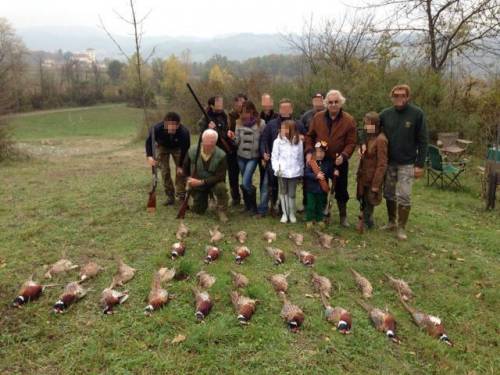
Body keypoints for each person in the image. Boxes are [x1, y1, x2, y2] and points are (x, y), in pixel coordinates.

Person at [380, 84, 428, 240]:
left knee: (405, 196)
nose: (399, 98)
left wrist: (420, 165)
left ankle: (401, 227)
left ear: (408, 97)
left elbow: (423, 141)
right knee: (388, 193)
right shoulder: (385, 114)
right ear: (392, 97)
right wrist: (364, 142)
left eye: (402, 95)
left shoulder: (417, 114)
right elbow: (370, 127)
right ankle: (391, 221)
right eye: (396, 95)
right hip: (389, 162)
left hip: (407, 163)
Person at [305, 89, 357, 227]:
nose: (333, 104)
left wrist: (345, 155)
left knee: (340, 189)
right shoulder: (318, 117)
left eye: (336, 102)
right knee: (318, 185)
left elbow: (351, 142)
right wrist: (309, 151)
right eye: (330, 102)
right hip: (320, 159)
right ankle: (318, 213)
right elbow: (309, 136)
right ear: (326, 103)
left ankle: (343, 216)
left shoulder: (349, 120)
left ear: (341, 103)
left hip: (338, 160)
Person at [259, 98, 305, 217]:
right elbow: (263, 140)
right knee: (268, 184)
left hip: (291, 164)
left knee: (289, 189)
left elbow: (306, 139)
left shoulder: (298, 124)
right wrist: (264, 152)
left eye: (287, 108)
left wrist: (303, 138)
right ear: (279, 110)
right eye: (282, 108)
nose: (285, 110)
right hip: (274, 161)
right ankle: (268, 207)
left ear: (291, 109)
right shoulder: (272, 124)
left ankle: (286, 210)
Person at [182, 129, 228, 222]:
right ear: (202, 140)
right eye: (205, 142)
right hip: (197, 185)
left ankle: (222, 210)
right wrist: (188, 180)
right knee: (198, 211)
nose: (207, 145)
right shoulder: (192, 151)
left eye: (211, 143)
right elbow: (185, 169)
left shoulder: (221, 155)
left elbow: (220, 176)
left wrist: (201, 182)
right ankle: (200, 200)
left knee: (221, 187)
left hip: (213, 183)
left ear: (215, 142)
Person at [145, 112, 190, 205]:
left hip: (178, 148)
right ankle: (170, 196)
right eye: (169, 126)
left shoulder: (184, 132)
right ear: (165, 124)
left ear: (179, 124)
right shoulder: (156, 129)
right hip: (162, 147)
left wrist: (180, 166)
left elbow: (185, 150)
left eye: (174, 126)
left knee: (181, 172)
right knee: (165, 172)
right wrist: (149, 156)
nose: (172, 128)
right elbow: (149, 142)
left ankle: (181, 195)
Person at [230, 100, 266, 214]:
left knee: (245, 182)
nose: (244, 115)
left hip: (253, 157)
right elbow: (237, 142)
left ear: (252, 111)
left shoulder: (261, 123)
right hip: (240, 156)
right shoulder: (238, 123)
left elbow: (263, 141)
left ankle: (254, 207)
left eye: (246, 112)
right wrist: (233, 138)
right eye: (242, 112)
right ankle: (247, 206)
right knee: (246, 181)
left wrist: (263, 153)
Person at [356, 112, 388, 233]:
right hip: (364, 175)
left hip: (373, 177)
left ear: (374, 124)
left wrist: (376, 184)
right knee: (363, 198)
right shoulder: (369, 137)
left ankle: (367, 221)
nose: (365, 126)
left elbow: (382, 164)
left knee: (370, 199)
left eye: (368, 123)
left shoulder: (381, 140)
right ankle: (365, 219)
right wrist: (362, 147)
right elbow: (360, 133)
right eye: (365, 123)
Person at [271, 120, 304, 223]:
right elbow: (274, 157)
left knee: (292, 193)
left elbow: (300, 158)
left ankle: (292, 214)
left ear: (292, 129)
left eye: (286, 128)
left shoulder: (299, 142)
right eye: (282, 128)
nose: (283, 130)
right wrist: (277, 169)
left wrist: (301, 172)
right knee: (283, 192)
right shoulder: (277, 142)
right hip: (282, 172)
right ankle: (285, 214)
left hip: (294, 173)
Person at [300, 92, 325, 210]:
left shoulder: (328, 114)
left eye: (320, 99)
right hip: (309, 151)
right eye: (315, 100)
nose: (318, 102)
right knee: (308, 178)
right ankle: (306, 204)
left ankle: (322, 204)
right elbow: (301, 131)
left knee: (323, 176)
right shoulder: (306, 116)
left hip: (324, 152)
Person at [304, 141, 333, 229]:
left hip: (321, 189)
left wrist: (334, 172)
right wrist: (316, 176)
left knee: (320, 205)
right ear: (315, 152)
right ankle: (309, 220)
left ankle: (319, 219)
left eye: (322, 152)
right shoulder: (311, 163)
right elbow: (306, 173)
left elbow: (329, 173)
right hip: (311, 189)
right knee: (310, 206)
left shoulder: (327, 163)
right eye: (318, 151)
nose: (320, 154)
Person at [226, 93, 248, 205]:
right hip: (232, 150)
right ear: (235, 103)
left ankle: (247, 198)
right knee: (233, 176)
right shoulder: (229, 116)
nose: (240, 104)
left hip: (245, 151)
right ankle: (235, 198)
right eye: (238, 101)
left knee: (246, 176)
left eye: (242, 102)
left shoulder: (249, 115)